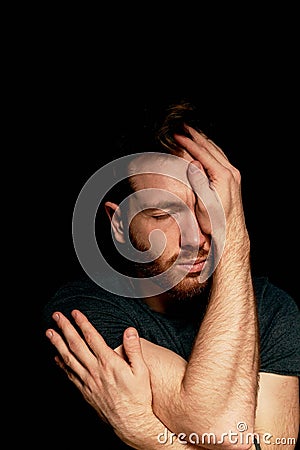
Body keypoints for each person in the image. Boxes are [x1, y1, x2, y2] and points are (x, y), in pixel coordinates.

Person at [42, 99, 300, 450]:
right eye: (164, 214)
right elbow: (222, 430)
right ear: (120, 226)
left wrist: (147, 435)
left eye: (209, 208)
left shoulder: (271, 309)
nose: (195, 237)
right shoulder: (83, 309)